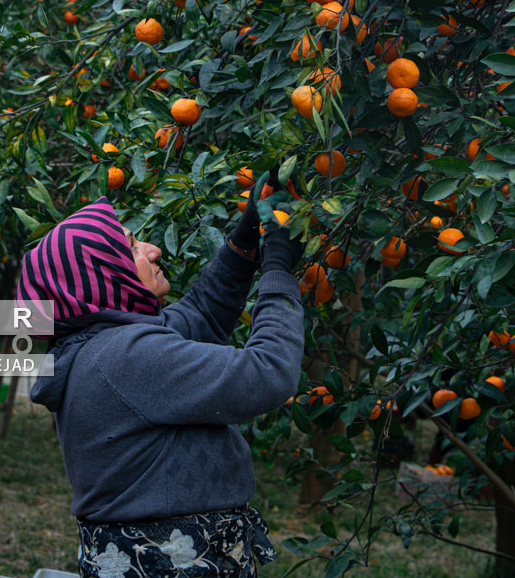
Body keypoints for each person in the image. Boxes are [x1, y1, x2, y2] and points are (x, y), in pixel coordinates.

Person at [15, 169, 305, 577]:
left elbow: (200, 315)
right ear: (105, 275)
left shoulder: (96, 348)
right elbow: (269, 374)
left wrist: (245, 242)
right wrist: (279, 271)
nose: (152, 250)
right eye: (132, 248)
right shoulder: (126, 357)